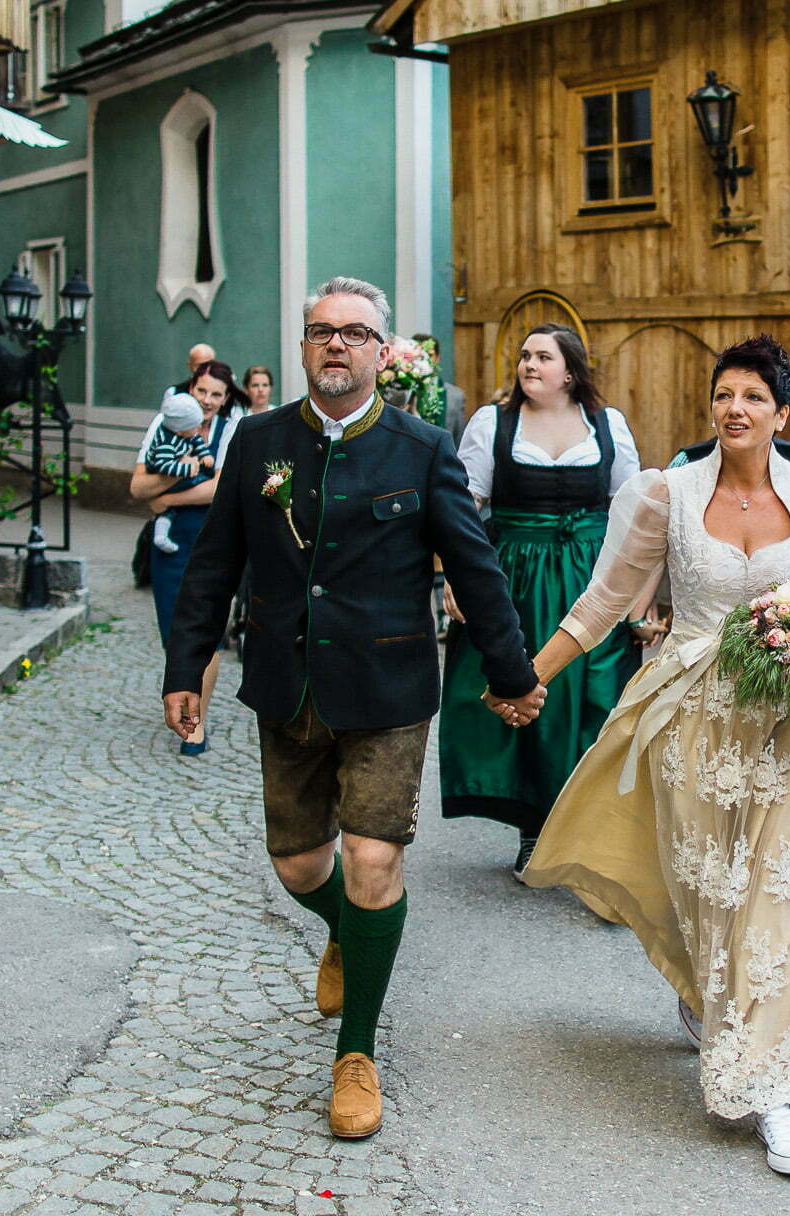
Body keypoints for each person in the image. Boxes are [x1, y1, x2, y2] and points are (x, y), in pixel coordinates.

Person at [162, 277, 544, 1140]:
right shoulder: (259, 441)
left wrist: (513, 672)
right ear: (303, 348)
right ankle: (348, 931)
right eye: (320, 331)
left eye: (354, 333)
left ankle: (357, 1050)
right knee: (301, 867)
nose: (336, 344)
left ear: (380, 352)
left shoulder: (421, 446)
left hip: (388, 692)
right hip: (286, 687)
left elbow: (476, 568)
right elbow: (213, 563)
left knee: (373, 861)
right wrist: (184, 665)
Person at [519, 335, 790, 1177]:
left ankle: (771, 1093)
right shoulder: (664, 495)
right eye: (723, 395)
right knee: (714, 892)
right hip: (695, 721)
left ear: (783, 414)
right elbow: (602, 600)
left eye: (752, 396)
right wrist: (525, 677)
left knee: (776, 898)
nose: (734, 409)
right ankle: (704, 994)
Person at [438, 325, 648, 878]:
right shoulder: (494, 423)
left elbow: (632, 508)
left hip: (590, 575)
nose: (529, 364)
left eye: (542, 357)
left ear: (571, 371)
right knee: (529, 692)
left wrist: (640, 591)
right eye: (525, 355)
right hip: (516, 578)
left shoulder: (606, 426)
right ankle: (535, 826)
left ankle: (595, 831)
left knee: (599, 696)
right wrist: (456, 575)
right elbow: (464, 506)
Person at [132, 363, 240, 756]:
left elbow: (221, 486)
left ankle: (198, 721)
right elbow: (137, 484)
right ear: (190, 389)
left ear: (226, 398)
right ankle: (182, 696)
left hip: (216, 543)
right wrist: (178, 479)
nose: (208, 401)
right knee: (172, 636)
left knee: (206, 633)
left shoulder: (231, 429)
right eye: (202, 392)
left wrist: (167, 498)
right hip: (172, 546)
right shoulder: (165, 423)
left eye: (216, 395)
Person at [145, 392, 215, 555]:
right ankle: (160, 536)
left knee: (168, 511)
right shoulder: (166, 443)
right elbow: (162, 465)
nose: (198, 428)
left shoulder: (185, 433)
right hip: (170, 477)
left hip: (180, 471)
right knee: (202, 484)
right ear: (180, 430)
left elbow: (196, 440)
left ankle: (161, 535)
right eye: (194, 426)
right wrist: (188, 469)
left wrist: (205, 454)